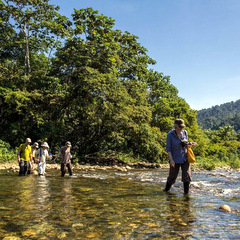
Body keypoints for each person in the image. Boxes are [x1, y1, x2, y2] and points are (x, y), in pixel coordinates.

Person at [164, 119, 197, 194]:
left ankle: (186, 195)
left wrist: (190, 143)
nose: (181, 128)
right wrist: (171, 160)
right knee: (172, 177)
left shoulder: (185, 132)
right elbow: (168, 149)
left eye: (182, 126)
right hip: (175, 159)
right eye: (180, 127)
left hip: (185, 158)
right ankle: (166, 190)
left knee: (187, 177)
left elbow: (185, 144)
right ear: (175, 126)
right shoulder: (170, 135)